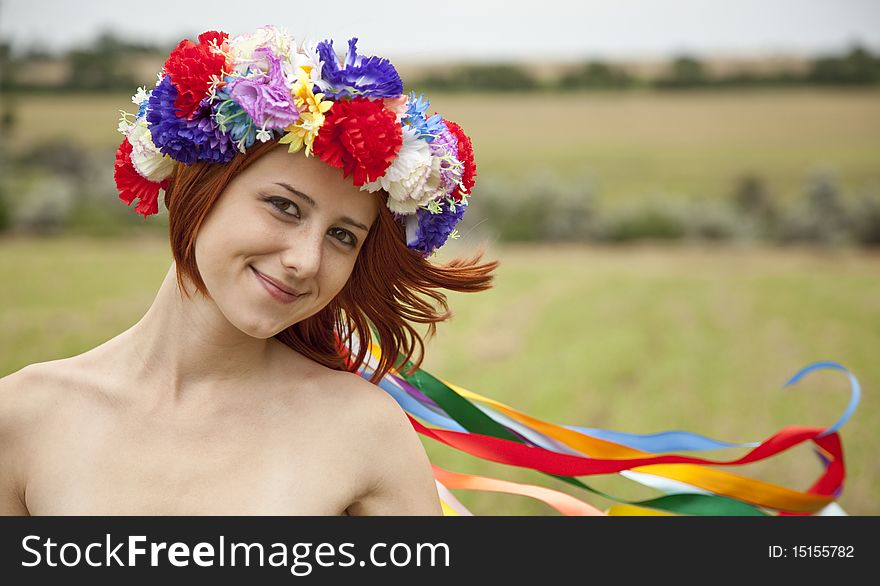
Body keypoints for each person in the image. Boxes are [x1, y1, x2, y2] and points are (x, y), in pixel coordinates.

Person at [0, 26, 858, 517]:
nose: (307, 260)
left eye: (345, 236)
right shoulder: (25, 417)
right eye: (285, 207)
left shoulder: (361, 430)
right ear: (198, 185)